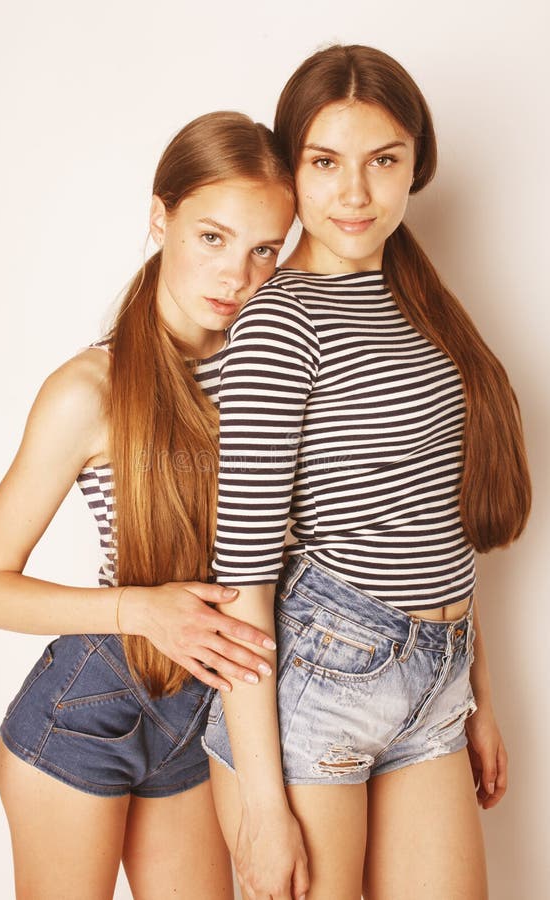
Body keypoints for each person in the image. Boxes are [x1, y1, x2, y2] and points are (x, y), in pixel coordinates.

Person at [202, 46, 531, 900]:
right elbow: (240, 571)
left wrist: (474, 695)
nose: (354, 192)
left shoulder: (419, 299)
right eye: (325, 162)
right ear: (292, 170)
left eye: (382, 160)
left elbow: (435, 514)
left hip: (435, 678)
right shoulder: (279, 321)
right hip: (319, 681)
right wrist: (263, 805)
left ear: (416, 163)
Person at [0, 110, 295, 900]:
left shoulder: (272, 368)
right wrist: (143, 611)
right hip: (85, 708)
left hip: (199, 715)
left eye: (263, 251)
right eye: (211, 238)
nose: (235, 276)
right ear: (160, 217)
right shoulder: (90, 390)